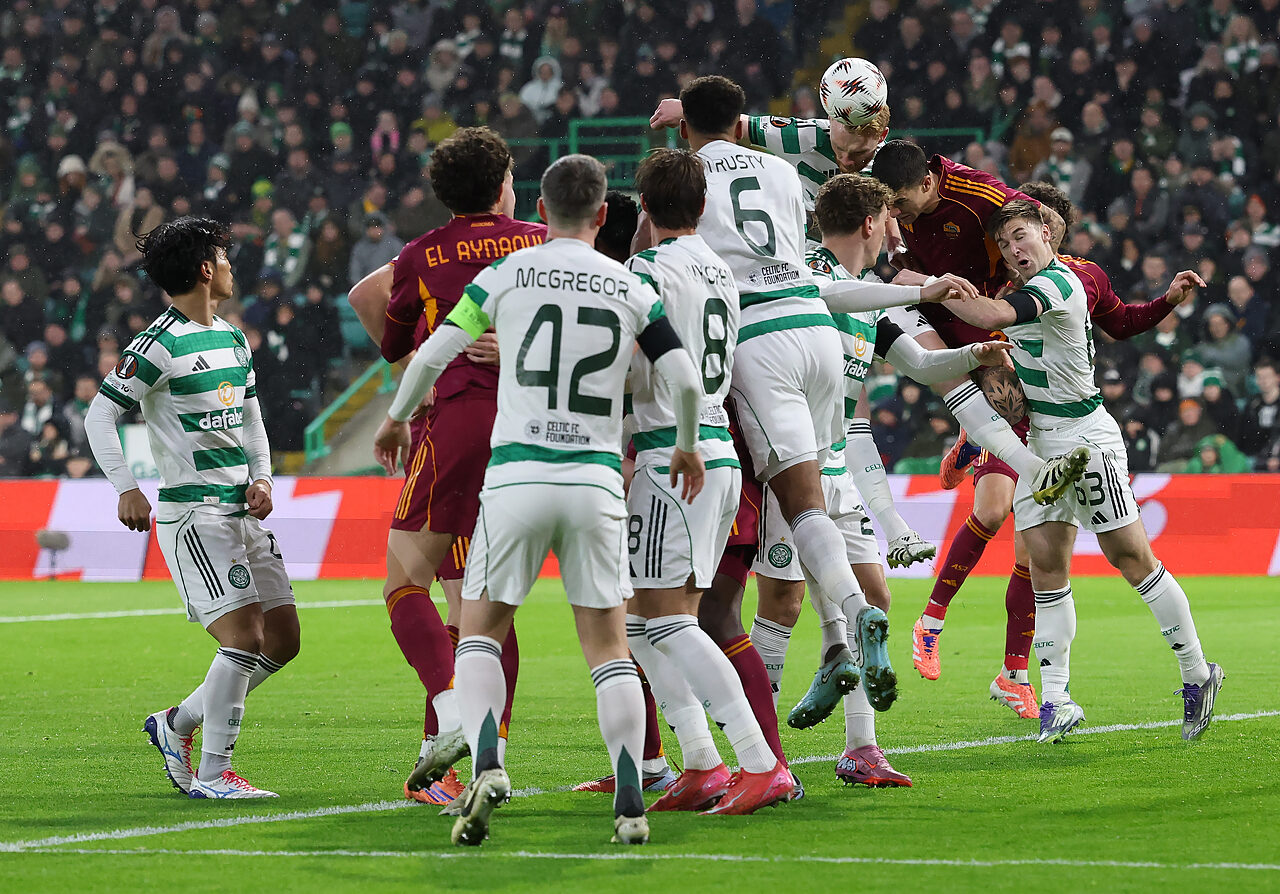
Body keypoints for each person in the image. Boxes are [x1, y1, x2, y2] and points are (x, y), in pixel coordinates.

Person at [374, 153, 707, 846]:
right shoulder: (627, 283)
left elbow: (434, 352)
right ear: (604, 215)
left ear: (541, 210)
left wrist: (399, 415)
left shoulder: (505, 272)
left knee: (481, 631)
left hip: (518, 477)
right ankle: (629, 798)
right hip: (591, 480)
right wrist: (685, 443)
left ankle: (488, 763)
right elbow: (680, 372)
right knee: (610, 647)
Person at [910, 181, 1204, 716]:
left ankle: (1197, 673)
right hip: (1040, 441)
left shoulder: (1061, 284)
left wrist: (922, 288)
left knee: (1131, 559)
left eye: (1021, 236)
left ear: (1048, 233)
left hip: (1086, 438)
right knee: (1045, 571)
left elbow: (995, 319)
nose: (1013, 250)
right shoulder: (1026, 288)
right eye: (1005, 244)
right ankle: (1057, 699)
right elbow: (1102, 325)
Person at [760, 173, 1016, 786]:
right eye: (892, 221)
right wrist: (924, 289)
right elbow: (833, 296)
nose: (900, 232)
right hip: (786, 462)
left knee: (874, 596)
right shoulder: (803, 273)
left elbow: (923, 364)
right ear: (871, 222)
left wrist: (973, 356)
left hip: (836, 463)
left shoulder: (874, 296)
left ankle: (860, 747)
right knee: (783, 603)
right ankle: (761, 754)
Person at [649, 77, 944, 572]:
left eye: (861, 140)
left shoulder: (694, 179)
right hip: (809, 297)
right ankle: (863, 584)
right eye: (846, 138)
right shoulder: (787, 159)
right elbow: (741, 129)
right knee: (844, 427)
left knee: (793, 495)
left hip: (754, 327)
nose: (850, 152)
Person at [347, 128, 546, 806]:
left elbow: (367, 300)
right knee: (484, 606)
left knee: (406, 581)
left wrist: (412, 382)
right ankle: (479, 763)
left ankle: (455, 723)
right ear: (504, 183)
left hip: (458, 426)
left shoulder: (423, 253)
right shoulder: (543, 241)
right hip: (540, 432)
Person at [84, 217, 299, 798]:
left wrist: (263, 477)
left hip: (243, 510)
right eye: (224, 257)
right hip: (196, 515)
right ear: (206, 270)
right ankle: (212, 772)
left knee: (283, 640)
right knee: (243, 637)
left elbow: (251, 417)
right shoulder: (157, 345)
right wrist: (126, 486)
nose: (231, 265)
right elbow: (99, 415)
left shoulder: (231, 337)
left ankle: (175, 724)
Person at [621, 148, 791, 814]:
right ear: (703, 207)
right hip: (718, 453)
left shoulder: (644, 269)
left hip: (672, 453)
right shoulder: (722, 268)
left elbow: (632, 354)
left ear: (644, 207)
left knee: (666, 620)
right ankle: (699, 759)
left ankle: (757, 760)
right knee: (647, 619)